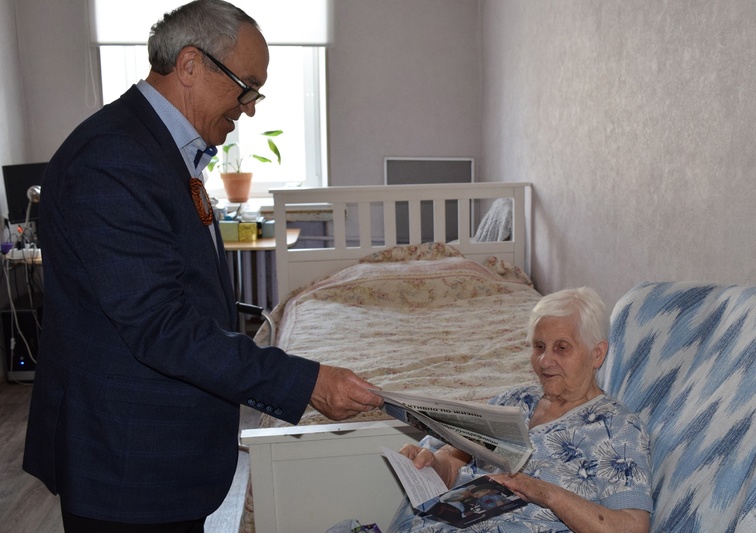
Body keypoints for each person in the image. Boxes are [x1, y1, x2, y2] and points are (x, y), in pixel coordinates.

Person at [22, 1, 383, 531]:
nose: (250, 108)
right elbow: (159, 324)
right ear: (190, 65)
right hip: (125, 462)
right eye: (246, 87)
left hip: (158, 455)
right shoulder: (114, 157)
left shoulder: (158, 150)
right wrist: (303, 381)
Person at [389, 287, 652, 532]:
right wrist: (429, 464)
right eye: (539, 347)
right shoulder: (513, 400)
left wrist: (545, 493)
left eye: (561, 348)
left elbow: (632, 527)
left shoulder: (618, 428)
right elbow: (452, 466)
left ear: (597, 354)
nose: (545, 361)